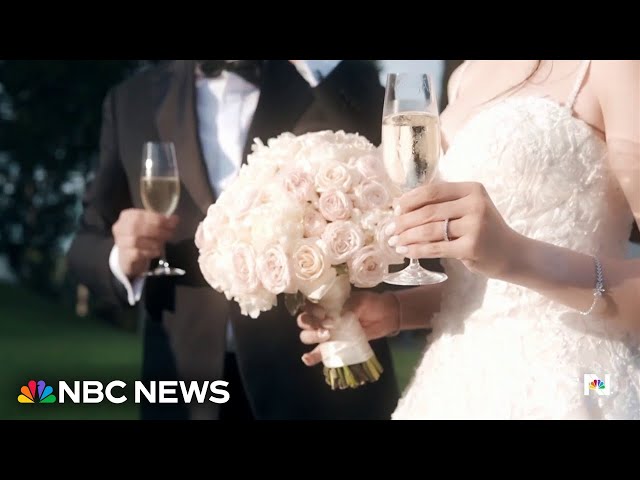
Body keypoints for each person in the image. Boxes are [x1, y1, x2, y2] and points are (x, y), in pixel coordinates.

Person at [298, 60, 640, 419]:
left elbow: (514, 267)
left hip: (583, 384)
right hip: (453, 388)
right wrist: (397, 310)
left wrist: (517, 255)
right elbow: (492, 292)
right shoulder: (465, 75)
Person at [67, 60, 399, 420]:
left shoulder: (318, 76)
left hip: (318, 381)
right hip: (186, 387)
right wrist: (120, 257)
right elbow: (85, 244)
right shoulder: (131, 100)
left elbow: (395, 153)